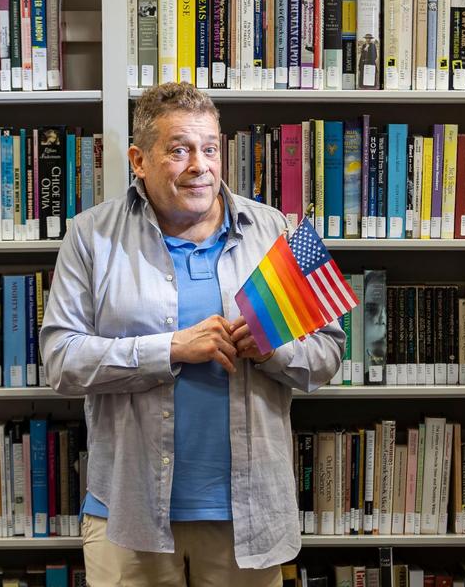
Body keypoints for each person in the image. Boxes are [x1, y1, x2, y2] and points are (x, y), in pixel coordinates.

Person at [40, 83, 345, 586]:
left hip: (246, 517)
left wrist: (274, 350)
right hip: (128, 514)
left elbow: (329, 352)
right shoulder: (90, 234)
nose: (200, 165)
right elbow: (60, 360)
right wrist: (170, 349)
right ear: (139, 160)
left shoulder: (277, 231)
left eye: (209, 148)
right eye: (179, 150)